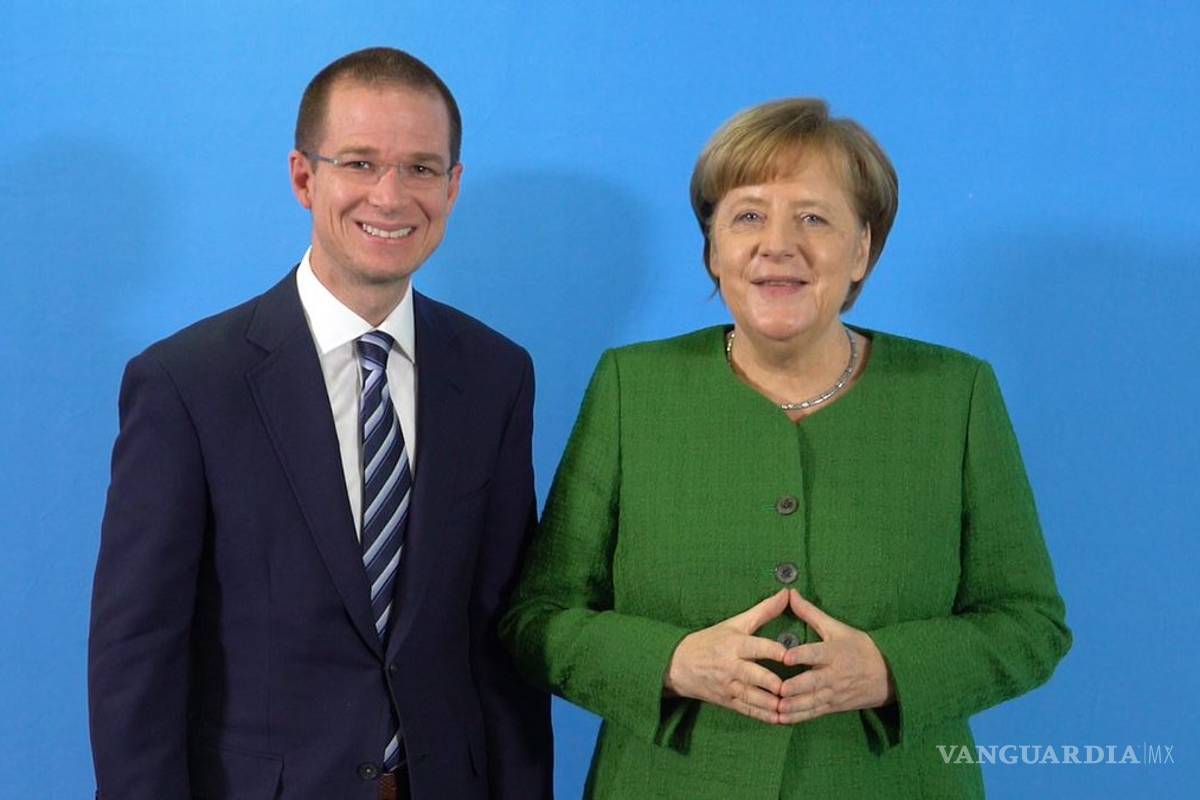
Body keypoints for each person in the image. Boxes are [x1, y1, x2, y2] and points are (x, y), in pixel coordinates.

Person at [500, 98, 1070, 798]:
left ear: (862, 248)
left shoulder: (957, 395)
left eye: (813, 217)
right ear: (713, 246)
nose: (778, 245)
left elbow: (1032, 625)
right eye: (747, 215)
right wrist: (672, 661)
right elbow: (538, 619)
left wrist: (892, 669)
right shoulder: (630, 386)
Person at [89, 47, 552, 800]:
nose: (392, 196)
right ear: (305, 177)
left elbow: (500, 634)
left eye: (422, 168)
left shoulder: (497, 375)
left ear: (454, 185)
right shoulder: (187, 384)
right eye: (360, 163)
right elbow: (137, 651)